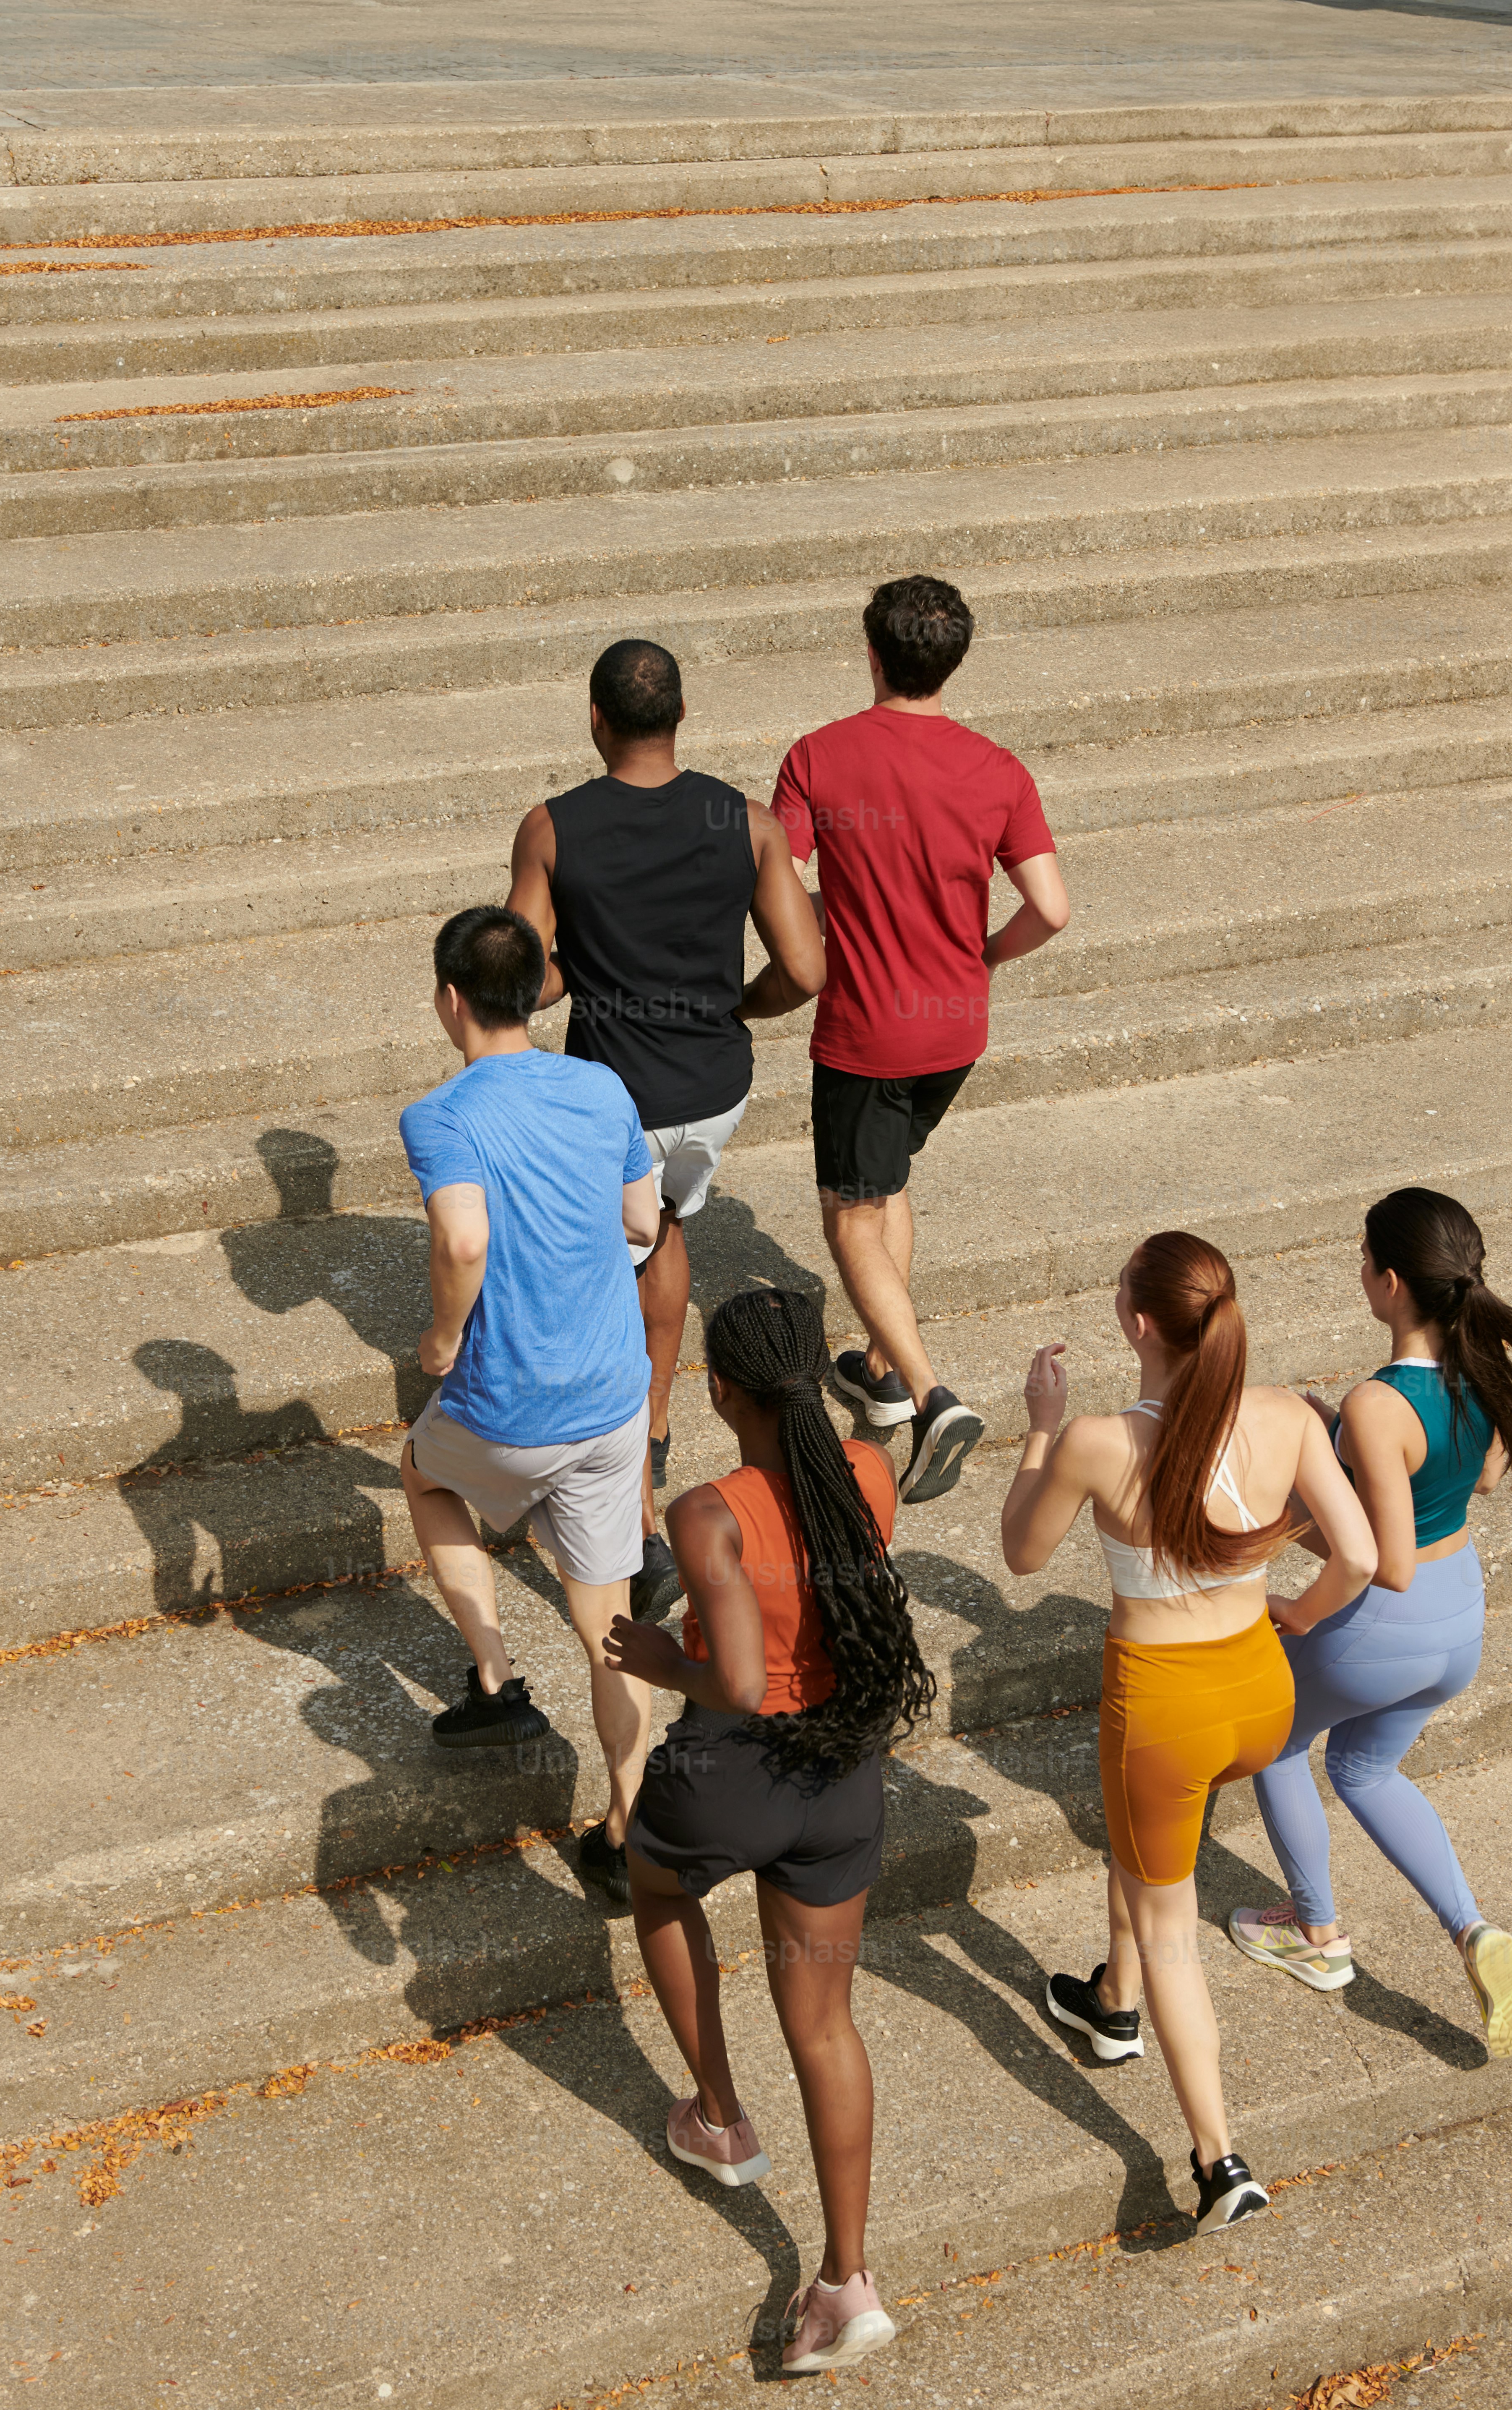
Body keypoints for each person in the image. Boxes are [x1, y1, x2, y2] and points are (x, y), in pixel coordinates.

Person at [1000, 1232, 1378, 2231]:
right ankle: (1110, 2000)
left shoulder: (1095, 1441)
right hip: (1258, 1694)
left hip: (1161, 1711)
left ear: (1136, 1324)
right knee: (1146, 1848)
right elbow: (1358, 1555)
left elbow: (1021, 1554)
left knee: (1172, 1927)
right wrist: (1295, 1612)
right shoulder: (1287, 1415)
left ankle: (1217, 2160)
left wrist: (1038, 1430)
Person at [603, 1286, 933, 2368]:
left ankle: (717, 2118)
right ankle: (846, 2281)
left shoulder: (707, 1512)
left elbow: (740, 1680)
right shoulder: (869, 1471)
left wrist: (664, 1660)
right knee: (825, 2026)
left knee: (656, 1885)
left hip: (730, 1770)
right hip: (840, 1775)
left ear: (717, 1392)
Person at [509, 637, 826, 1620]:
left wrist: (577, 964)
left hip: (615, 1099)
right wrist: (739, 1006)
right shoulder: (749, 822)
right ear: (681, 716)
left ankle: (632, 1517)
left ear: (594, 719)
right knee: (667, 1229)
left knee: (605, 1281)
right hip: (713, 1088)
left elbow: (522, 979)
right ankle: (651, 1429)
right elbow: (805, 971)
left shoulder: (552, 828)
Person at [771, 574, 1070, 1504]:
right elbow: (1052, 908)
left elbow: (777, 883)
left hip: (867, 1035)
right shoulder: (998, 770)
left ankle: (932, 1395)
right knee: (889, 1181)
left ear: (871, 654)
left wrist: (825, 920)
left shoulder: (818, 758)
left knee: (850, 1213)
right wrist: (984, 956)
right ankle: (877, 1369)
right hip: (955, 1029)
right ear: (953, 661)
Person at [1233, 1187, 1512, 2060]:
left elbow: (1383, 1561)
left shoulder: (1379, 1402)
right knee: (1364, 1768)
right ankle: (1471, 1928)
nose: (1360, 1271)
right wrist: (1343, 1441)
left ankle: (1316, 1935)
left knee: (1278, 1744)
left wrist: (1294, 1608)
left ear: (1392, 1281)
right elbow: (1479, 1478)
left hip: (1386, 1625)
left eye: (1365, 1259)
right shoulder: (1482, 1366)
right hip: (1459, 1619)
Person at [397, 906, 660, 1906]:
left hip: (509, 1405)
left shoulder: (442, 1116)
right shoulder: (599, 1085)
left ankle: (495, 1680)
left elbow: (462, 1240)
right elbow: (641, 1221)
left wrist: (441, 1338)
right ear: (537, 992)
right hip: (613, 1397)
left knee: (422, 1474)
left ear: (449, 1000)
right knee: (610, 1625)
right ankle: (628, 1832)